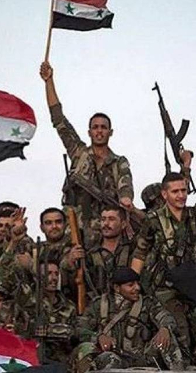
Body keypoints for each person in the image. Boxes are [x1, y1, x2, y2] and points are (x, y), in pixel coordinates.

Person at [131, 150, 196, 356]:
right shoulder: (154, 221)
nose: (181, 195)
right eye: (175, 191)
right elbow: (140, 253)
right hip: (166, 291)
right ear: (164, 194)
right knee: (181, 336)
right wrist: (131, 285)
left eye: (183, 190)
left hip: (195, 289)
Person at [40, 61, 134, 250]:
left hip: (104, 233)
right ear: (89, 132)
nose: (99, 131)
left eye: (103, 128)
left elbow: (125, 187)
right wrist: (49, 81)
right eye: (95, 127)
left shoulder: (118, 162)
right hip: (72, 229)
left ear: (110, 132)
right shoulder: (79, 153)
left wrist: (126, 200)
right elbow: (58, 119)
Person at [75, 267, 184, 372]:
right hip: (115, 357)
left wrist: (165, 328)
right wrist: (99, 337)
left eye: (137, 283)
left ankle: (178, 371)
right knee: (101, 355)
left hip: (142, 358)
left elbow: (165, 316)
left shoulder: (147, 303)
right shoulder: (98, 305)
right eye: (131, 285)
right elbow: (79, 329)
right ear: (117, 288)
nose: (137, 288)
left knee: (166, 336)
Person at [65, 205, 133, 300]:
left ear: (123, 224)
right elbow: (73, 287)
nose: (106, 223)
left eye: (111, 219)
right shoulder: (89, 256)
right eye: (103, 219)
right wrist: (70, 263)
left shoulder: (132, 250)